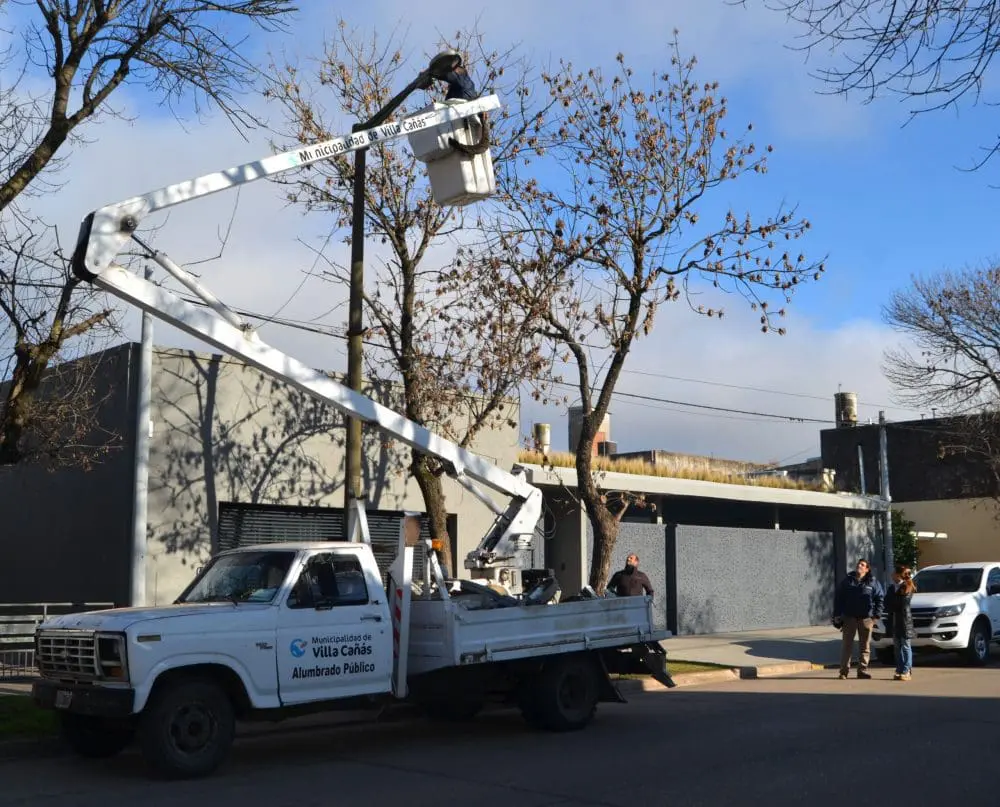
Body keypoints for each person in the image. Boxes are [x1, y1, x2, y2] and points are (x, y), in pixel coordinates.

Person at [832, 557, 885, 679]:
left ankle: (862, 670)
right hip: (849, 618)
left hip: (866, 619)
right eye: (858, 564)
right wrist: (836, 615)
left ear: (867, 569)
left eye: (862, 565)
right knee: (847, 645)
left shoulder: (873, 582)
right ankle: (843, 671)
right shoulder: (847, 581)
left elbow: (880, 599)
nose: (859, 566)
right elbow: (839, 599)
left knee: (865, 646)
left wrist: (876, 616)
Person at [885, 564, 917, 681]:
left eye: (893, 573)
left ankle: (906, 670)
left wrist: (892, 602)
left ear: (898, 575)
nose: (891, 574)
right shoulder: (891, 588)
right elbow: (887, 603)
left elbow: (902, 603)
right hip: (894, 620)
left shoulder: (907, 586)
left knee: (905, 646)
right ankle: (899, 669)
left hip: (904, 621)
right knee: (897, 647)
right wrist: (891, 602)